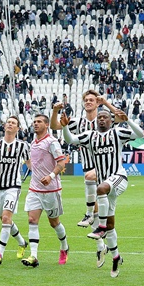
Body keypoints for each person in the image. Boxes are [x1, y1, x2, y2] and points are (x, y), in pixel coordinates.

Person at [61, 108, 144, 277]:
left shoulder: (118, 133)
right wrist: (64, 127)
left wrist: (127, 120)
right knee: (112, 225)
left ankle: (101, 227)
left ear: (111, 120)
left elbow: (140, 134)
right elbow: (71, 139)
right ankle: (116, 257)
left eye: (105, 117)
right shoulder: (90, 136)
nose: (101, 119)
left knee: (100, 189)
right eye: (99, 117)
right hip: (105, 188)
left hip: (119, 178)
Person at [50, 90, 118, 229]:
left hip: (107, 167)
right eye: (86, 100)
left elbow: (121, 117)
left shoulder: (105, 119)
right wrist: (55, 111)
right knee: (99, 209)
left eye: (91, 100)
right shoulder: (77, 122)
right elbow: (54, 126)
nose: (88, 102)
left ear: (97, 103)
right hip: (87, 165)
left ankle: (88, 214)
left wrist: (106, 102)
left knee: (90, 183)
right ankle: (101, 245)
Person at [20, 114, 69, 268]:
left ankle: (64, 247)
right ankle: (33, 256)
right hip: (34, 188)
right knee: (32, 220)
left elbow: (61, 162)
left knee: (54, 223)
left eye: (39, 122)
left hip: (51, 189)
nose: (35, 124)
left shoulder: (52, 142)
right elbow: (31, 162)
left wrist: (51, 175)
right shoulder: (32, 143)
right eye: (34, 121)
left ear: (46, 125)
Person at [0, 116, 30, 264]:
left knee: (5, 218)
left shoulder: (22, 146)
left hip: (13, 186)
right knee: (6, 220)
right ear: (4, 126)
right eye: (8, 122)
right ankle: (22, 242)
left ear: (17, 128)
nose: (10, 124)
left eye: (13, 123)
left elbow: (30, 164)